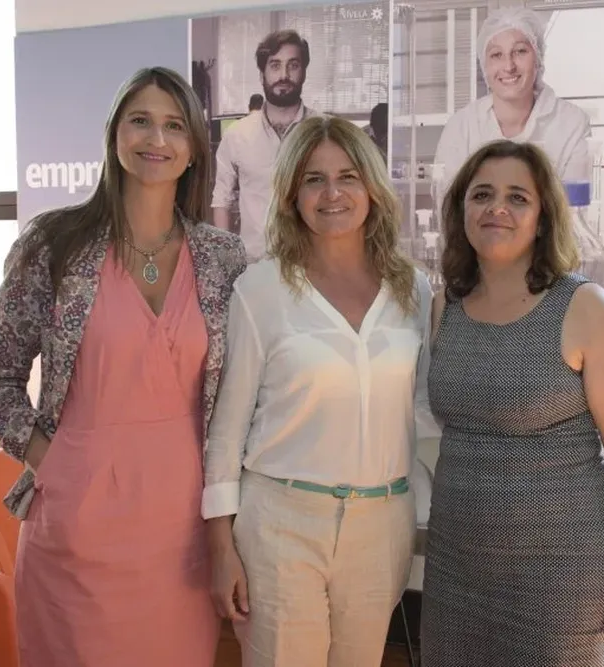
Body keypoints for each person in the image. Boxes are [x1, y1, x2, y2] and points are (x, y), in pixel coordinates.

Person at [0, 66, 247, 666]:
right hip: (77, 524)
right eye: (140, 120)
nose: (157, 138)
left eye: (175, 125)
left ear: (196, 146)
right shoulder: (55, 243)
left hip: (183, 531)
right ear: (114, 134)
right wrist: (52, 457)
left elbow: (242, 394)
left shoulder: (223, 258)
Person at [202, 114, 435, 666]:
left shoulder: (413, 290)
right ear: (291, 196)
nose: (332, 193)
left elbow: (422, 407)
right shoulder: (260, 289)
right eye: (313, 179)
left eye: (348, 176)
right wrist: (220, 548)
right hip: (281, 524)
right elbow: (226, 430)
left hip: (382, 524)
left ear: (372, 189)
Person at [421, 139, 604, 666]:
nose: (497, 208)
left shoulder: (584, 306)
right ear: (462, 211)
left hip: (562, 576)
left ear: (543, 216)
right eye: (482, 194)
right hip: (457, 565)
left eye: (517, 197)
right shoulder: (444, 307)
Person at [432, 7, 594, 222]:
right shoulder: (461, 126)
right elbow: (449, 210)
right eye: (496, 55)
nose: (508, 66)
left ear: (538, 58)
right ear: (484, 65)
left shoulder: (571, 123)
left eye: (520, 51)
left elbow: (573, 213)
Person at [212, 29, 318, 262]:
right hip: (254, 268)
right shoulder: (237, 135)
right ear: (262, 74)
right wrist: (227, 261)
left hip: (313, 266)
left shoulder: (323, 131)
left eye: (293, 65)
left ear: (304, 72)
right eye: (275, 65)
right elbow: (222, 200)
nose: (284, 75)